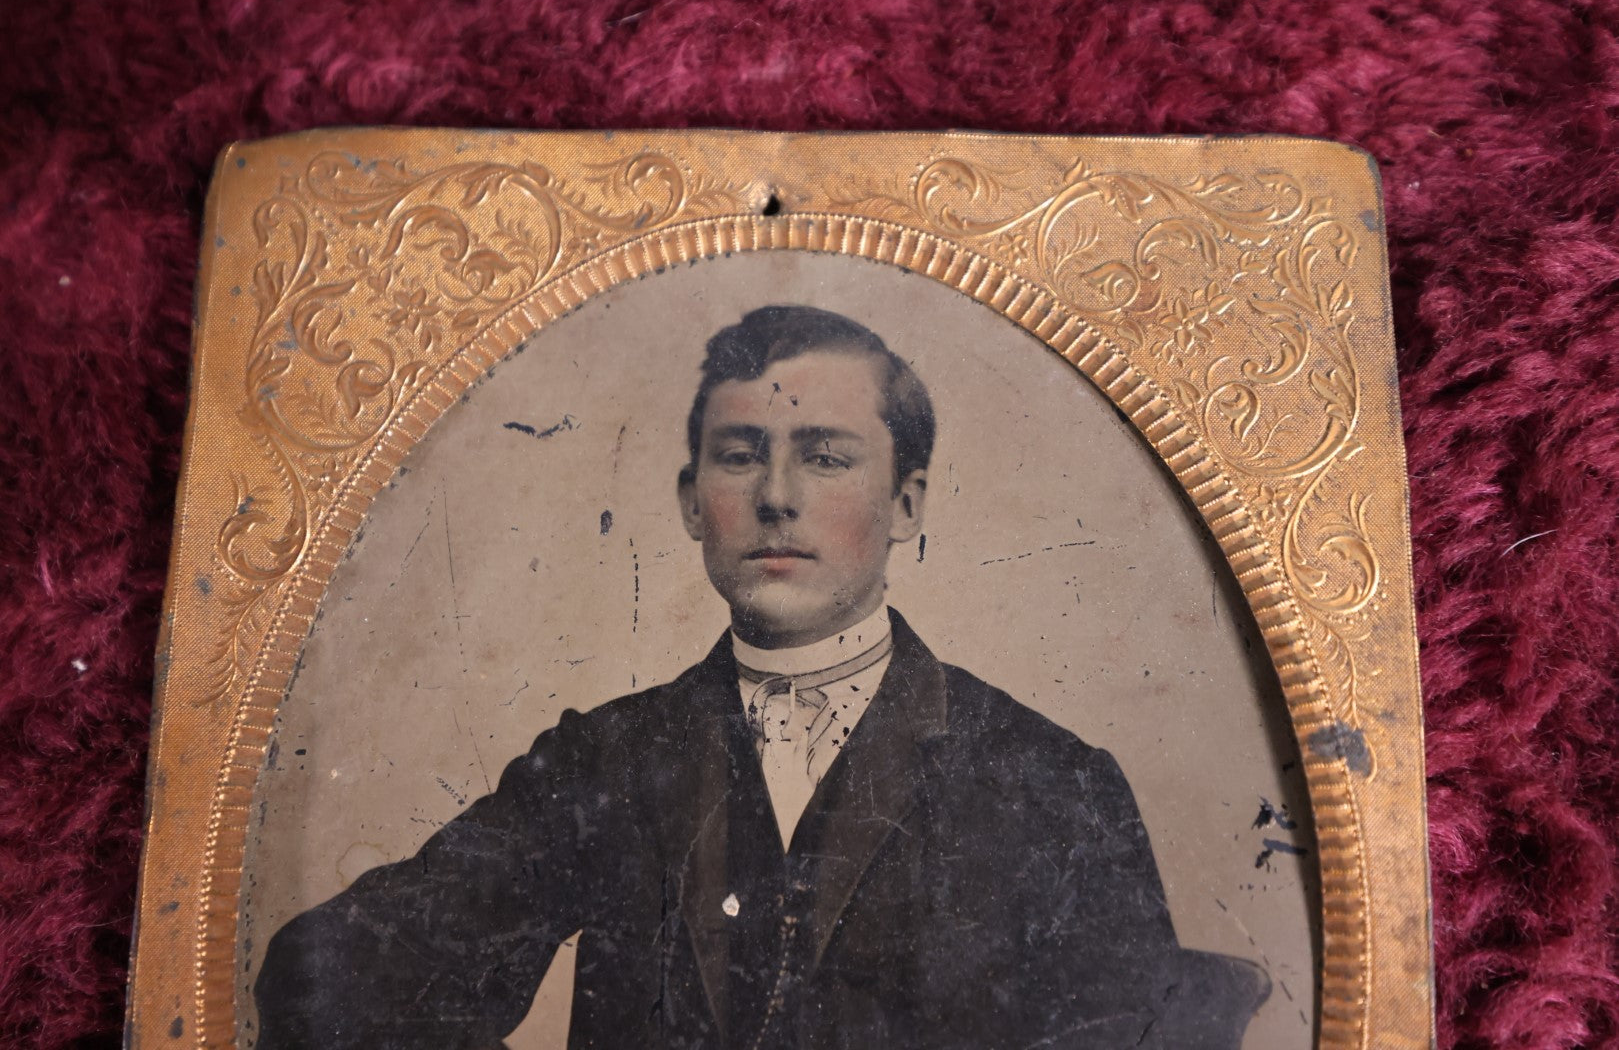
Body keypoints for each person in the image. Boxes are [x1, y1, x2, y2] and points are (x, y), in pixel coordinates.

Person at [254, 305, 1268, 1049]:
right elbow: (327, 976)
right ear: (694, 502)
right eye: (740, 457)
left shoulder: (1052, 782)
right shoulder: (605, 760)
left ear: (906, 503)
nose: (776, 498)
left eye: (824, 458)